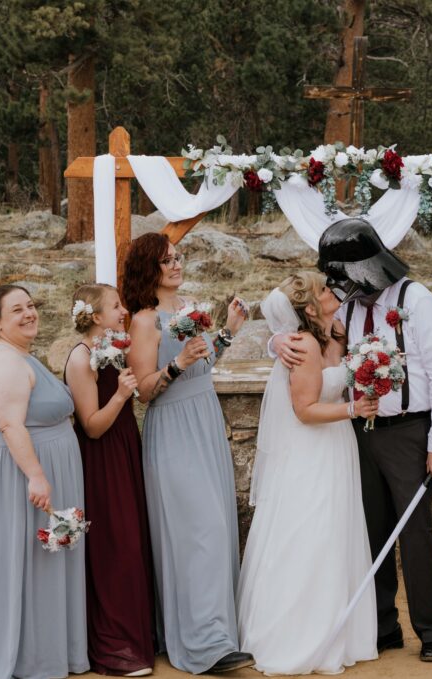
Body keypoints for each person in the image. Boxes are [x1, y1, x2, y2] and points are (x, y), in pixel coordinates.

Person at [272, 218, 432, 662]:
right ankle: (382, 626)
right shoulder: (349, 307)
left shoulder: (420, 301)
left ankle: (430, 632)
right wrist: (276, 340)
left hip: (409, 432)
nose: (342, 289)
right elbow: (308, 336)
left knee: (415, 536)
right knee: (369, 531)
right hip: (358, 433)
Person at [237, 273, 380, 675]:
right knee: (310, 533)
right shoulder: (301, 345)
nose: (330, 290)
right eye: (321, 290)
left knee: (336, 533)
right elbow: (304, 410)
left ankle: (338, 629)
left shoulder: (333, 334)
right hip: (310, 451)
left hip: (336, 446)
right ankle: (298, 635)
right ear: (309, 307)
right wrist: (354, 410)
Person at [123, 233, 252, 675]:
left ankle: (218, 633)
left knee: (217, 529)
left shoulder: (189, 306)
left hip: (205, 420)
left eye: (178, 257)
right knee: (198, 531)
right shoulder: (143, 321)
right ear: (149, 269)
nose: (176, 265)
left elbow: (203, 362)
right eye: (166, 260)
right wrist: (176, 363)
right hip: (173, 427)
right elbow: (144, 392)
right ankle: (204, 645)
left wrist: (228, 332)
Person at [0, 284, 89, 679]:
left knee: (42, 561)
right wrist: (36, 475)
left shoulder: (19, 355)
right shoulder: (4, 362)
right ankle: (27, 657)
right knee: (26, 558)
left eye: (31, 305)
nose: (29, 313)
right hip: (21, 474)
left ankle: (48, 648)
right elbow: (9, 424)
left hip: (40, 467)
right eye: (16, 310)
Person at [64, 284, 155, 677]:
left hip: (125, 450)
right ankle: (113, 646)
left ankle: (139, 638)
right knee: (117, 546)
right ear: (96, 316)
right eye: (116, 306)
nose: (123, 311)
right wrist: (120, 396)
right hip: (101, 459)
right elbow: (92, 426)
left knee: (135, 540)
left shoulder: (114, 349)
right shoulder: (81, 358)